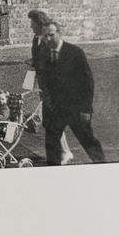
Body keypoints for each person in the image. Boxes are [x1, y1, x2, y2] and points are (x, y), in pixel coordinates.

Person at [39, 20, 105, 166]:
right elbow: (46, 80)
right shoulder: (45, 55)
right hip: (55, 110)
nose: (48, 39)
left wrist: (86, 109)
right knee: (52, 143)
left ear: (59, 33)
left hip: (76, 109)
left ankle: (102, 167)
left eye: (51, 35)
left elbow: (88, 82)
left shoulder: (75, 53)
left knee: (88, 141)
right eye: (45, 37)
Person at [28, 9, 74, 165]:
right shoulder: (37, 39)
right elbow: (39, 58)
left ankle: (65, 152)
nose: (30, 26)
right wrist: (33, 62)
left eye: (32, 23)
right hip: (44, 86)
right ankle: (64, 151)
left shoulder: (48, 39)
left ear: (38, 23)